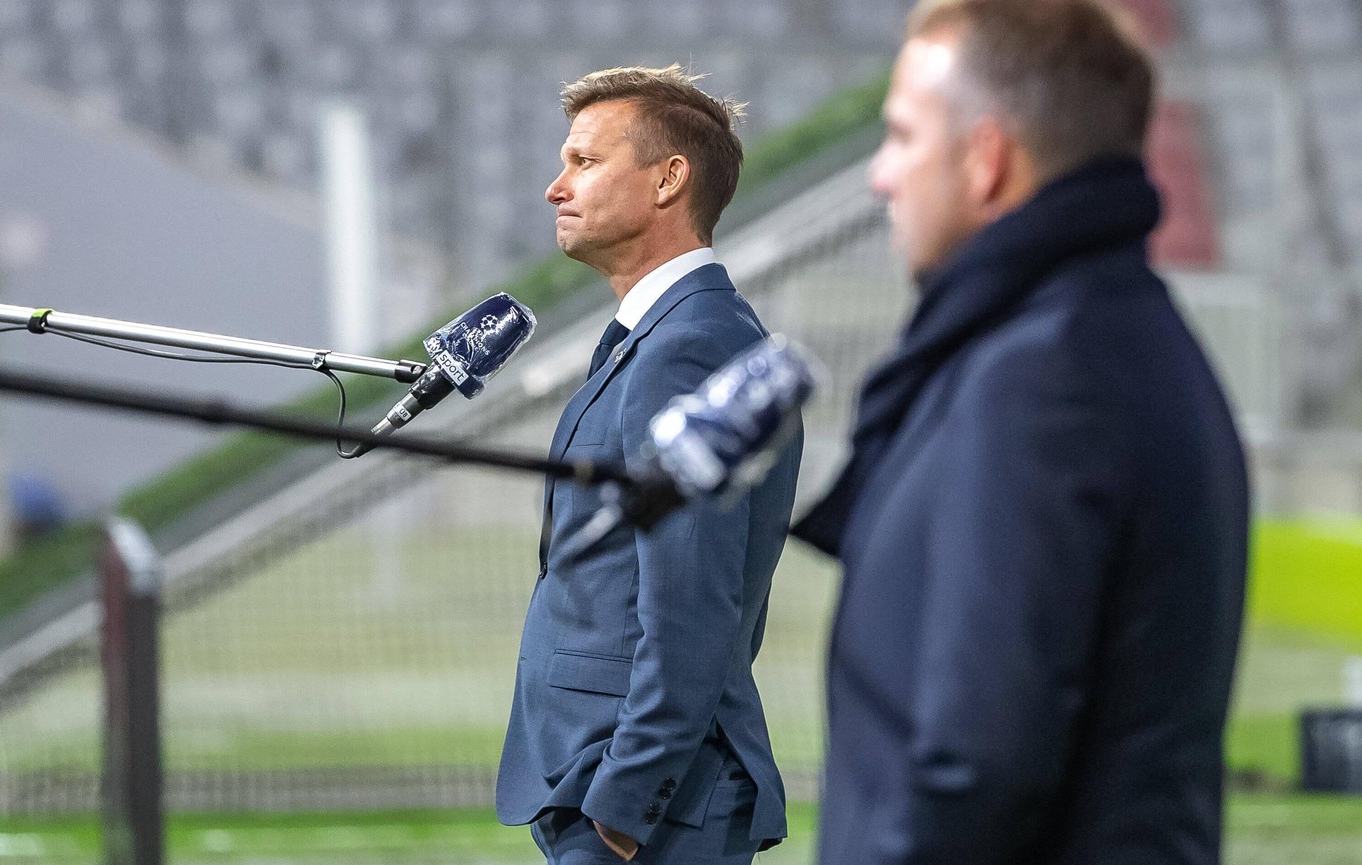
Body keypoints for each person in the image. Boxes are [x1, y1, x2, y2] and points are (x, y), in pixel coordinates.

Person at [790, 2, 1250, 863]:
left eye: (900, 135)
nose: (881, 176)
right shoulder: (1108, 336)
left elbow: (978, 769)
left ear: (987, 161)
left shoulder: (1042, 377)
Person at [496, 65, 803, 864]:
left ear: (669, 180)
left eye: (584, 162)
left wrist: (624, 807)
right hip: (600, 781)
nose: (555, 188)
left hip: (642, 801)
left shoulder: (690, 344)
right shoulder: (671, 335)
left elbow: (693, 600)